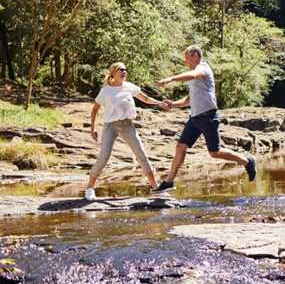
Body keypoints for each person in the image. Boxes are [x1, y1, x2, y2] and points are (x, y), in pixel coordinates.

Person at [154, 45, 256, 192]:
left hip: (208, 117)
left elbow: (193, 75)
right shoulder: (194, 75)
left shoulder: (203, 68)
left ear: (195, 55)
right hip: (195, 119)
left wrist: (170, 79)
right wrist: (173, 105)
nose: (186, 62)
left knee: (214, 152)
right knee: (180, 147)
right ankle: (169, 181)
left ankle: (247, 161)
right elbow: (189, 100)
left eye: (187, 58)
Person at [85, 62, 168, 200]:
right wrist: (92, 128)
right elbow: (95, 110)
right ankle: (89, 188)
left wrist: (160, 103)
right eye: (121, 70)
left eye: (125, 70)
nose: (124, 72)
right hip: (110, 126)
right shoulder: (106, 90)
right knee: (104, 156)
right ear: (113, 73)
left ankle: (156, 188)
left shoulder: (130, 87)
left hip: (127, 125)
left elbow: (145, 99)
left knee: (141, 154)